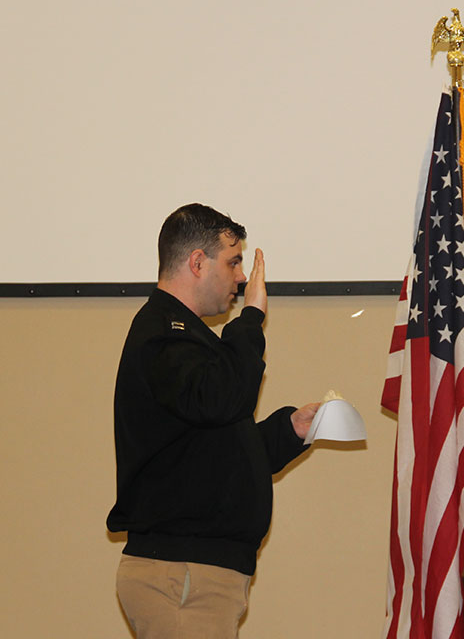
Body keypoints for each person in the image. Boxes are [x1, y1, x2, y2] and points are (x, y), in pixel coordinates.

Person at [106, 203, 319, 638]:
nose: (242, 278)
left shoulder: (187, 337)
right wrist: (252, 319)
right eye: (234, 261)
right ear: (197, 263)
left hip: (196, 573)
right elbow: (225, 400)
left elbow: (211, 450)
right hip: (182, 574)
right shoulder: (163, 335)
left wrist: (289, 430)